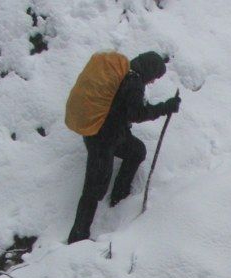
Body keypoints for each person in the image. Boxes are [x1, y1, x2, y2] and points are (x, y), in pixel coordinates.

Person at [67, 51, 180, 244]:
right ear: (150, 70)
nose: (153, 81)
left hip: (110, 133)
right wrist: (165, 107)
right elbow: (137, 113)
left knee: (137, 151)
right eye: (155, 77)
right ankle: (78, 237)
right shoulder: (133, 83)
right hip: (102, 139)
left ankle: (119, 197)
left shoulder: (126, 73)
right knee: (93, 189)